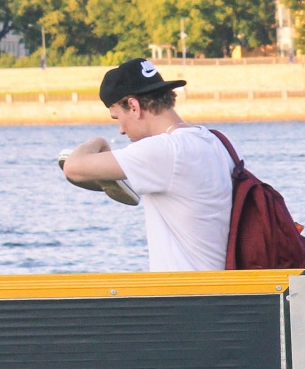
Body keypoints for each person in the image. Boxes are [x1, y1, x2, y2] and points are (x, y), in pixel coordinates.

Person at [60, 58, 233, 272]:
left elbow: (73, 167)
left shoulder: (165, 150)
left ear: (133, 106)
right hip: (221, 284)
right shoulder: (218, 141)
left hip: (185, 289)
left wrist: (99, 142)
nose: (121, 130)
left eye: (117, 117)